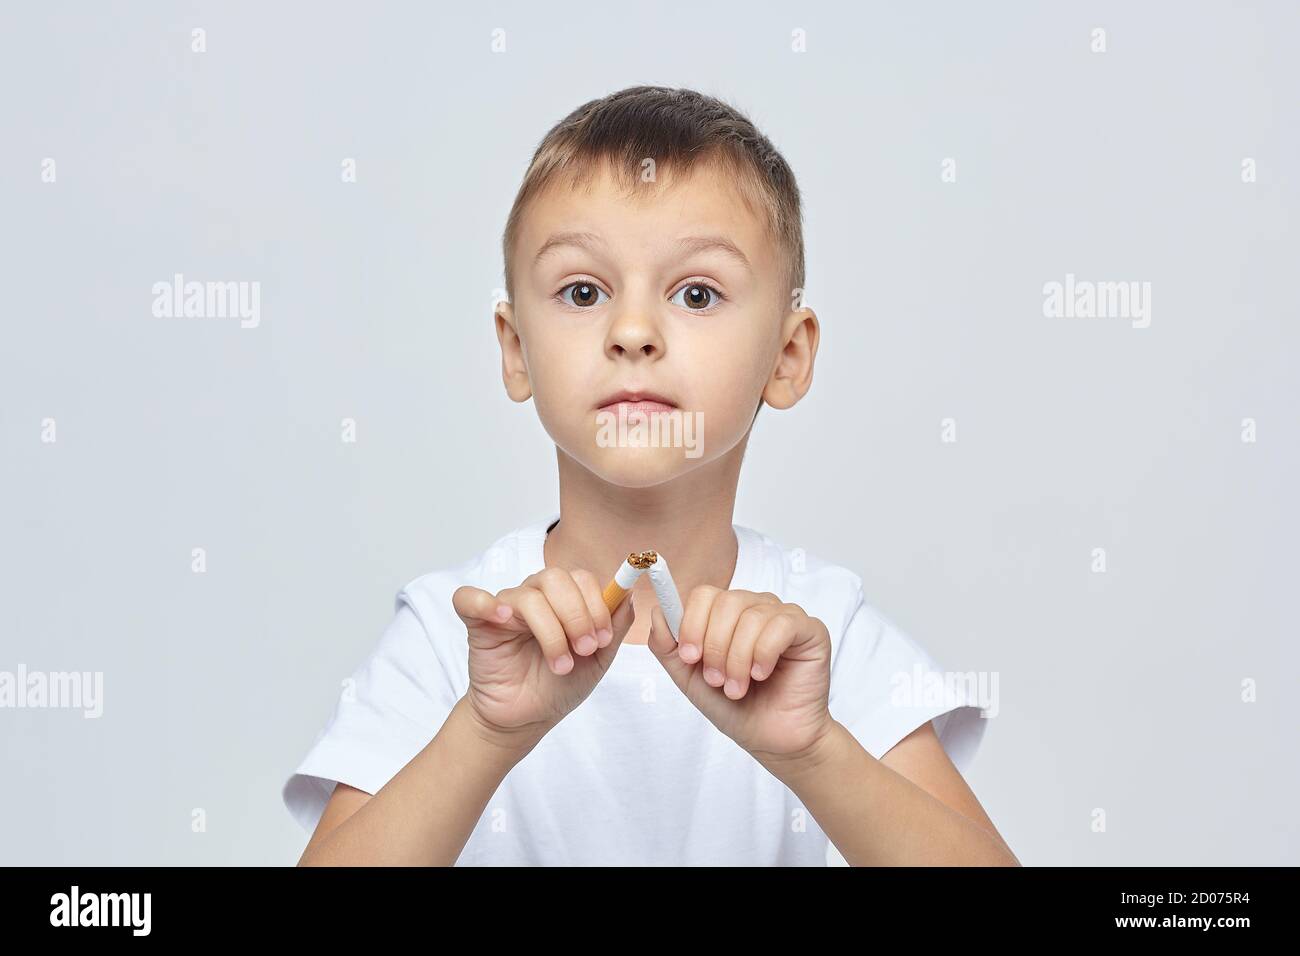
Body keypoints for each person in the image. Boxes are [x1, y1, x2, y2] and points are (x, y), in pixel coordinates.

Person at [283, 85, 1017, 866]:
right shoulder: (449, 637)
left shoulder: (829, 635)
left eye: (697, 294)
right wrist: (483, 732)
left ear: (788, 355)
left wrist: (814, 752)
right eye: (583, 292)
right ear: (515, 348)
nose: (632, 332)